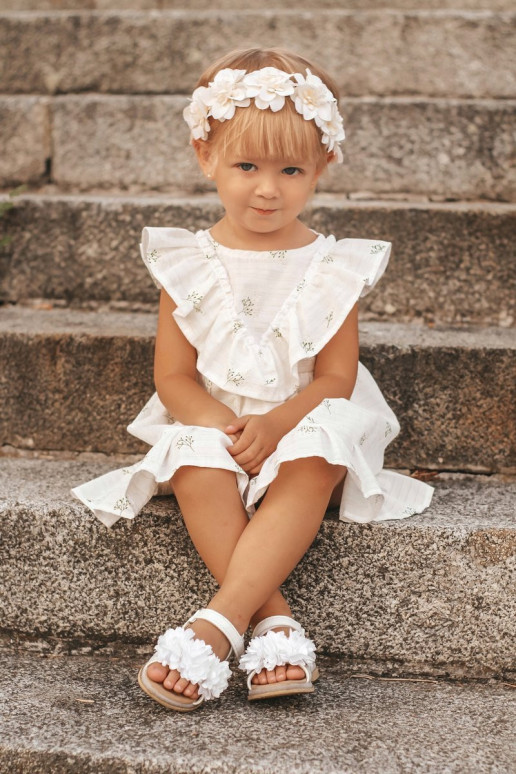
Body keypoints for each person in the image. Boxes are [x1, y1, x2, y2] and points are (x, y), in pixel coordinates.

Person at [72, 47, 433, 712]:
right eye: (247, 166)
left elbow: (336, 377)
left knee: (317, 452)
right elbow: (173, 377)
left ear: (322, 167)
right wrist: (231, 429)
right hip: (218, 422)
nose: (268, 188)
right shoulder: (187, 261)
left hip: (304, 422)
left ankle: (217, 624)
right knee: (193, 456)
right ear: (205, 155)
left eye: (291, 170)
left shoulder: (332, 266)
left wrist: (276, 425)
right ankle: (273, 623)